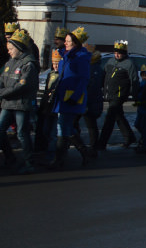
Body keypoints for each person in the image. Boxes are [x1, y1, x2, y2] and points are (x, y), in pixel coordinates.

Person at [49, 27, 95, 169]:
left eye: (69, 41)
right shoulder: (66, 56)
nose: (66, 43)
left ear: (76, 43)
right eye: (66, 41)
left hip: (72, 98)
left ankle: (59, 160)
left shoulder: (80, 57)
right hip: (62, 96)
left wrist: (75, 97)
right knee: (67, 127)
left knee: (62, 127)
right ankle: (84, 153)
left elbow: (83, 79)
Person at [0, 29, 40, 173]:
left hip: (21, 104)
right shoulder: (10, 63)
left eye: (11, 49)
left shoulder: (29, 64)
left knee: (22, 134)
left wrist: (2, 93)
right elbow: (2, 80)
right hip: (8, 103)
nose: (9, 51)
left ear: (18, 48)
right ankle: (10, 157)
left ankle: (29, 163)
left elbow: (23, 85)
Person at [94, 40, 139, 150]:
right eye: (115, 52)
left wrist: (134, 94)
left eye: (119, 53)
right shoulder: (110, 61)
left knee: (109, 118)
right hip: (110, 93)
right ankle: (129, 137)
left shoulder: (129, 64)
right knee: (118, 116)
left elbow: (134, 80)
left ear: (124, 53)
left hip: (120, 95)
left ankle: (102, 143)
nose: (117, 55)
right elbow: (104, 76)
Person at [35, 49, 62, 160]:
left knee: (53, 133)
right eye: (54, 63)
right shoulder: (50, 74)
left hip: (55, 107)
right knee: (45, 130)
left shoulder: (61, 75)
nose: (55, 66)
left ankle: (52, 153)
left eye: (58, 64)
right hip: (47, 107)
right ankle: (46, 150)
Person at [80, 45, 104, 148]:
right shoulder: (98, 68)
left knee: (91, 125)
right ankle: (93, 146)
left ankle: (92, 147)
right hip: (95, 100)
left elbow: (90, 87)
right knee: (91, 125)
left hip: (90, 101)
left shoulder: (91, 69)